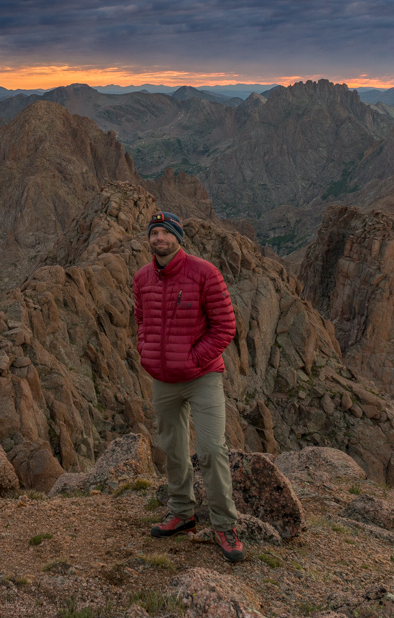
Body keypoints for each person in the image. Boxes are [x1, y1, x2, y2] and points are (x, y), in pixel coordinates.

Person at [132, 211, 244, 563]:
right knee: (173, 448)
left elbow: (225, 326)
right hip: (163, 380)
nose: (159, 238)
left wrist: (195, 359)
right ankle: (182, 513)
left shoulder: (204, 273)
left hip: (202, 377)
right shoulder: (142, 277)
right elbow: (141, 319)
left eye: (165, 233)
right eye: (154, 233)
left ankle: (225, 525)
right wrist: (145, 350)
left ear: (178, 237)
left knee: (212, 449)